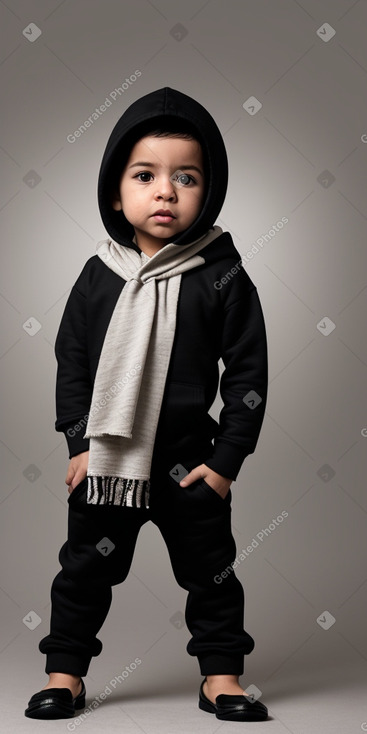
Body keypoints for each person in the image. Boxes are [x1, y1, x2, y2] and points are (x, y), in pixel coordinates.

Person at [24, 86, 269, 723]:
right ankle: (65, 675)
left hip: (190, 464)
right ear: (116, 192)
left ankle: (221, 677)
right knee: (83, 572)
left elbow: (248, 373)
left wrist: (224, 464)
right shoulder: (98, 274)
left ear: (207, 193)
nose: (165, 191)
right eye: (146, 175)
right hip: (108, 463)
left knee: (211, 575)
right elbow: (72, 363)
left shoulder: (222, 274)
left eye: (186, 178)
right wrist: (80, 444)